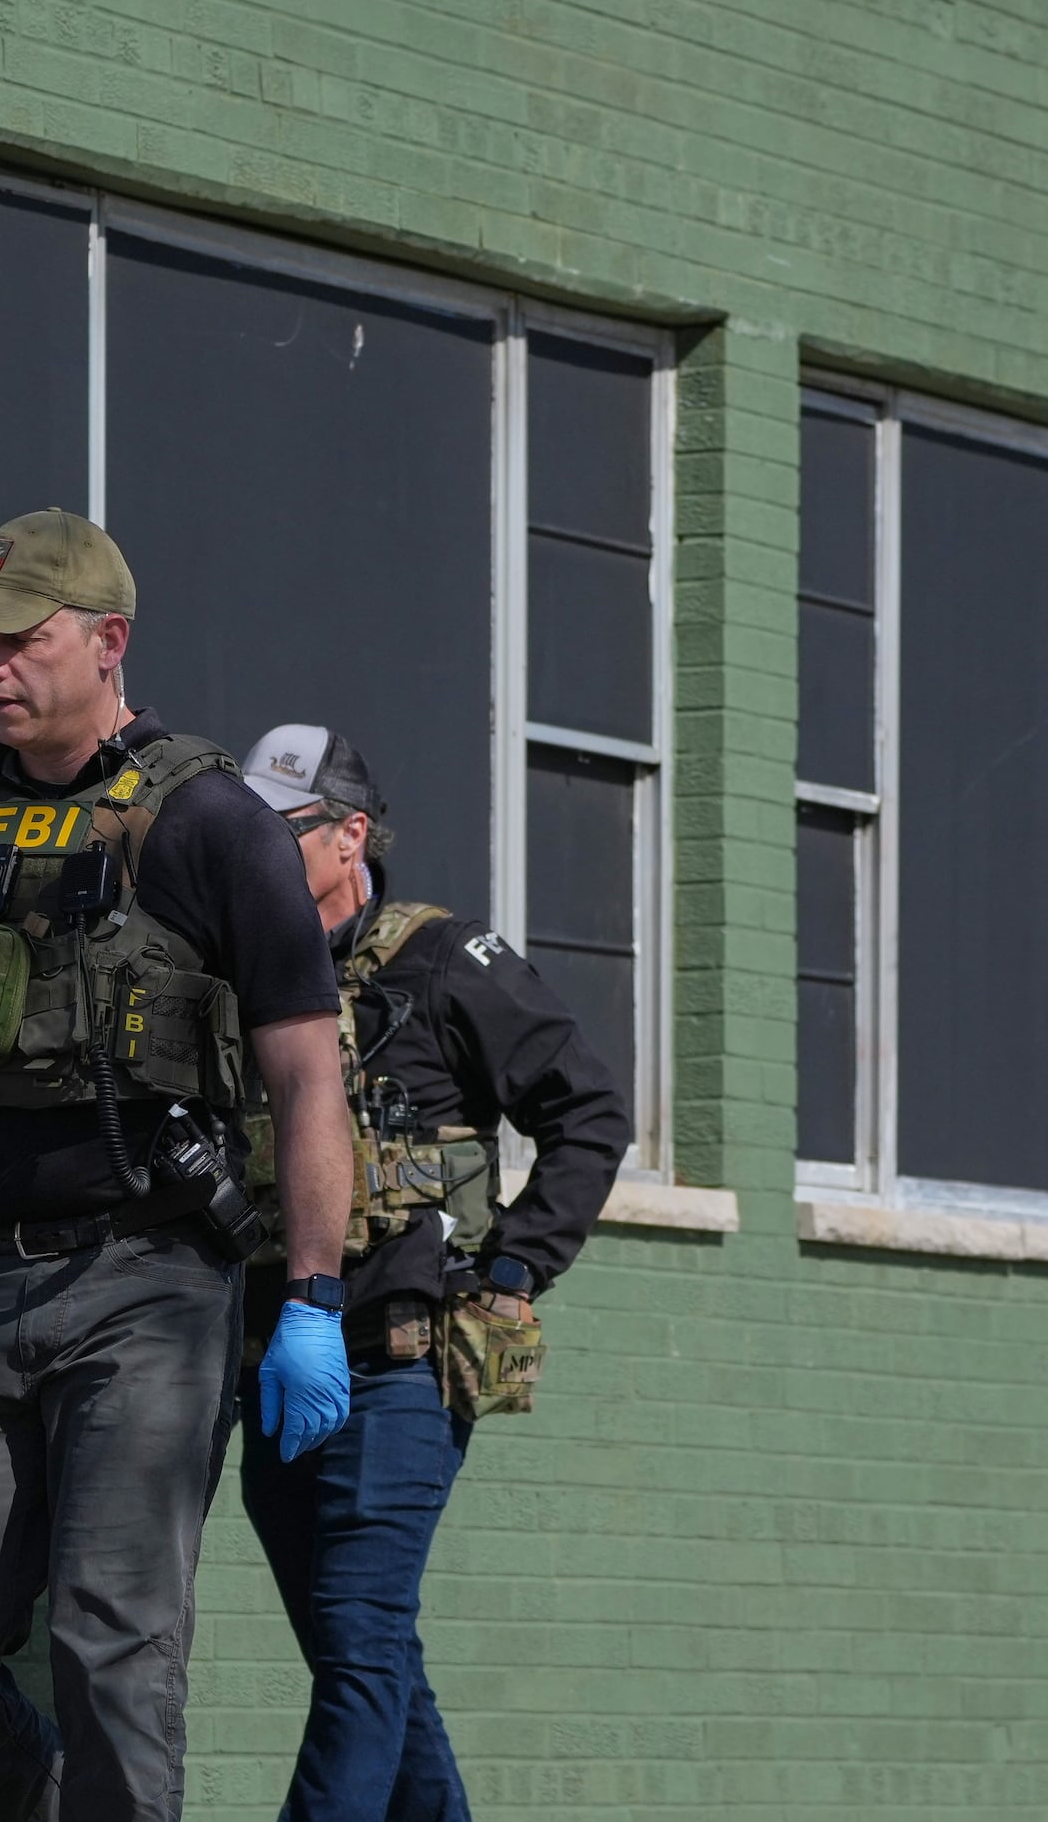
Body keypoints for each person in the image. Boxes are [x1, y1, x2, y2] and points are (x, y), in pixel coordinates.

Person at [0, 509, 362, 1822]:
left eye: (21, 637)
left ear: (108, 642)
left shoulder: (213, 824)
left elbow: (307, 1070)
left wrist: (314, 1300)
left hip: (151, 1282)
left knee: (115, 1643)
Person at [228, 722, 634, 1822]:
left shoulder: (445, 961)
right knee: (368, 1660)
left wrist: (512, 1270)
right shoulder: (240, 972)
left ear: (351, 833)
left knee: (359, 1644)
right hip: (274, 1371)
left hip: (403, 1373)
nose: (259, 855)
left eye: (287, 832)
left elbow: (590, 1115)